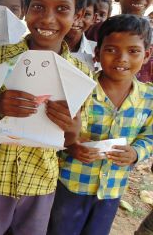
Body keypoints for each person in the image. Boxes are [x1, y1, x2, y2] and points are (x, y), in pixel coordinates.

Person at [0, 0, 91, 235]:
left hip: (41, 183)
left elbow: (70, 141)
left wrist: (72, 130)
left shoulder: (80, 74)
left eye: (62, 9)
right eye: (38, 7)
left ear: (79, 15)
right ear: (25, 9)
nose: (47, 19)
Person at [48, 14, 153, 235]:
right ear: (97, 53)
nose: (121, 58)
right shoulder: (81, 90)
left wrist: (135, 152)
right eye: (111, 49)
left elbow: (149, 136)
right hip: (71, 184)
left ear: (147, 55)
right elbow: (61, 130)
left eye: (133, 51)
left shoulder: (149, 98)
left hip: (112, 190)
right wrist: (73, 145)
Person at [64, 0, 98, 70]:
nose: (76, 21)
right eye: (73, 12)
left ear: (94, 18)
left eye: (86, 14)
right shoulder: (44, 46)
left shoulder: (98, 52)